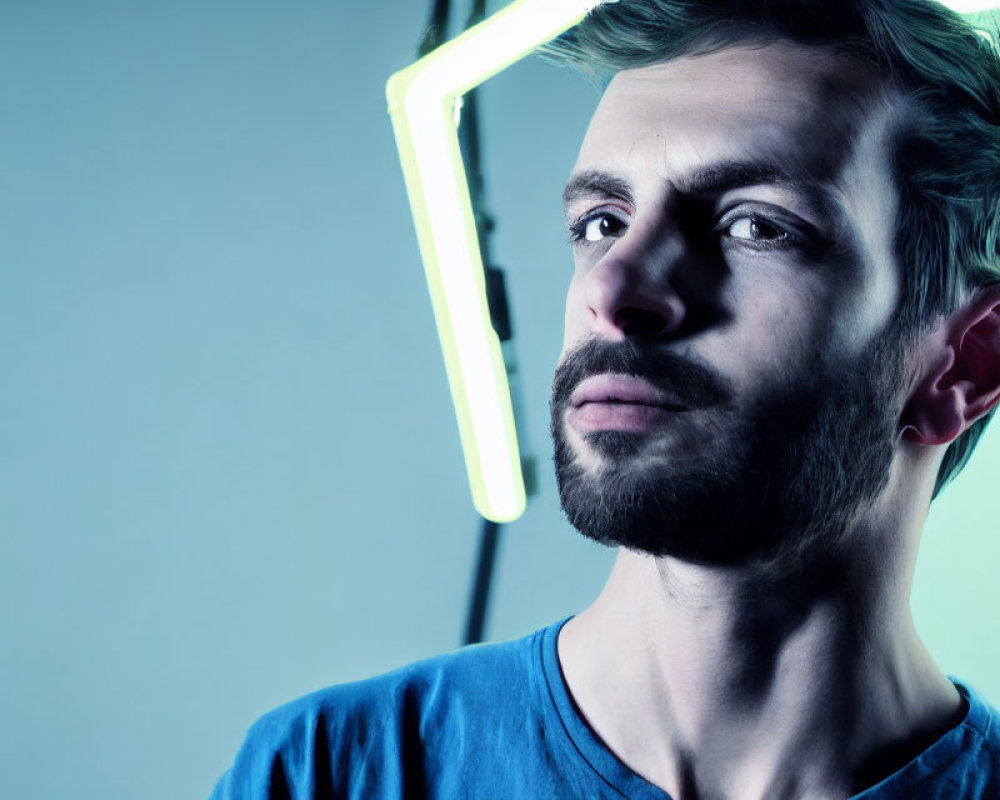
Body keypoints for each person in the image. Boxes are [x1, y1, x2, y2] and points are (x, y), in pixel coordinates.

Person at [210, 0, 1000, 797]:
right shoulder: (332, 772)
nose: (616, 288)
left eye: (757, 226)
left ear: (967, 361)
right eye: (601, 222)